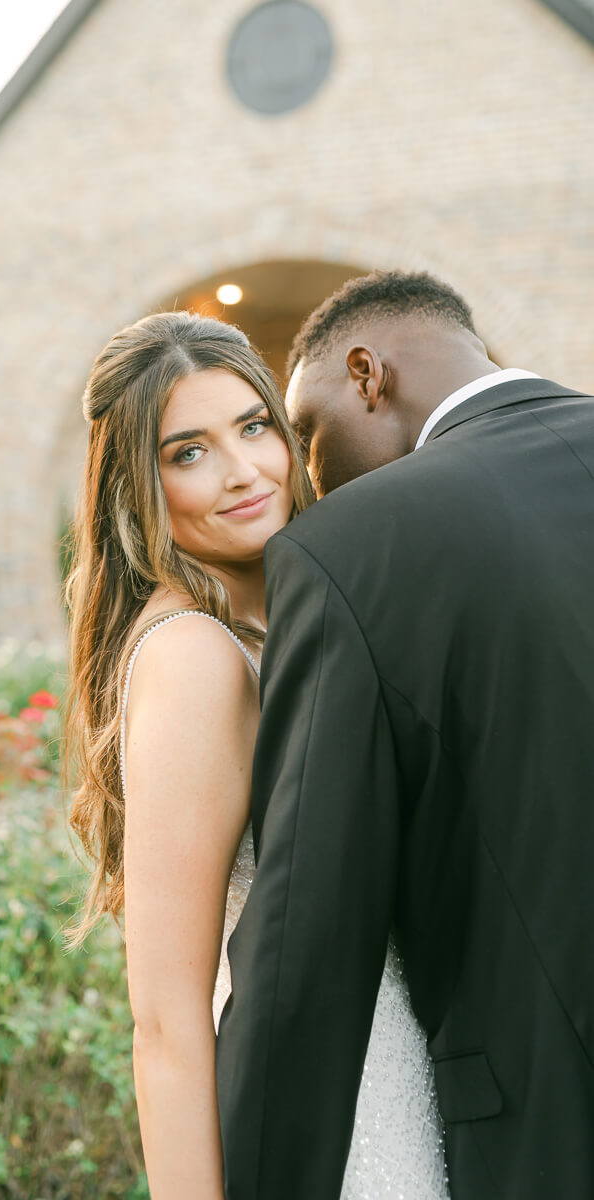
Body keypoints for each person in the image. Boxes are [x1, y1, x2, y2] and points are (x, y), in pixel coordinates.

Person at [215, 269, 594, 1199]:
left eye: (306, 434)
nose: (308, 476)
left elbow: (308, 931)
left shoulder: (354, 545)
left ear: (365, 375)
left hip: (545, 1129)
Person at [62, 309, 450, 1199]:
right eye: (187, 452)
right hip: (339, 1108)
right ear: (136, 488)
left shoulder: (288, 618)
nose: (243, 473)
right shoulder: (197, 654)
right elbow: (165, 1017)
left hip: (389, 1063)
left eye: (253, 428)